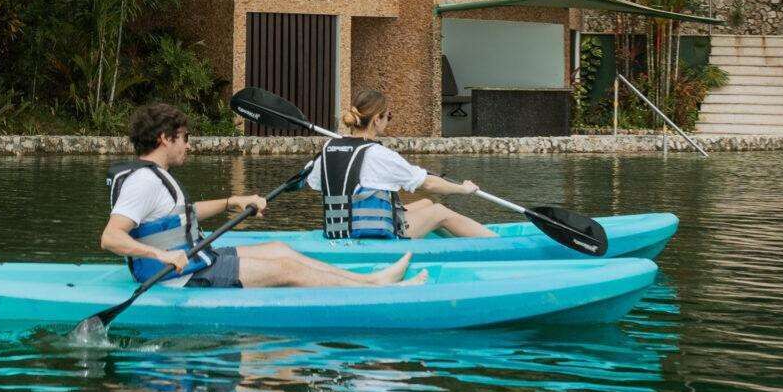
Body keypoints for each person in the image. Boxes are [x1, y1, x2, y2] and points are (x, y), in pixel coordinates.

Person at [102, 101, 416, 288]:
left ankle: (368, 281)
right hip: (176, 276)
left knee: (280, 249)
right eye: (184, 137)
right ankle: (373, 287)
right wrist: (163, 256)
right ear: (164, 138)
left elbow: (180, 214)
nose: (188, 144)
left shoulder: (154, 176)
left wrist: (232, 202)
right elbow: (111, 237)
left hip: (194, 259)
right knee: (287, 270)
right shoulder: (142, 182)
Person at [308, 89, 494, 241]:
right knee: (439, 212)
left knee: (427, 203)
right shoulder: (378, 154)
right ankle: (497, 243)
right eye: (388, 116)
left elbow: (312, 181)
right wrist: (463, 189)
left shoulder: (328, 148)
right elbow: (429, 184)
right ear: (376, 119)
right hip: (367, 233)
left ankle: (455, 243)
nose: (388, 121)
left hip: (336, 228)